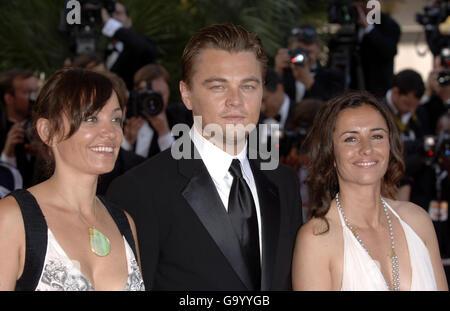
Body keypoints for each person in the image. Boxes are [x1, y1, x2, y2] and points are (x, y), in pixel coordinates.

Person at [106, 23, 303, 290]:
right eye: (218, 87)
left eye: (248, 86)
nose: (236, 100)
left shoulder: (284, 182)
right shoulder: (140, 190)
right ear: (187, 94)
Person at [0, 68, 145, 291]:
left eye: (116, 119)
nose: (110, 132)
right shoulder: (12, 219)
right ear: (48, 131)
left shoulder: (124, 222)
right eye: (90, 118)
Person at [292, 91, 448, 290]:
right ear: (330, 152)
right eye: (351, 139)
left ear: (389, 145)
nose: (367, 148)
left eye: (376, 136)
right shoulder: (317, 239)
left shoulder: (418, 221)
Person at [122, 63, 193, 159]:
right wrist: (126, 142)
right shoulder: (124, 118)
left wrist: (164, 133)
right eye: (147, 94)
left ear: (168, 93)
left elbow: (183, 166)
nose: (152, 100)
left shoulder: (181, 120)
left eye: (159, 94)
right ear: (136, 92)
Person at [274, 24, 345, 103]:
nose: (305, 58)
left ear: (318, 49)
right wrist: (277, 72)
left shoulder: (334, 77)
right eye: (299, 52)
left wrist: (308, 81)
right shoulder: (283, 73)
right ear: (289, 50)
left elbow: (332, 107)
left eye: (308, 52)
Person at [101, 1, 159, 90]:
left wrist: (111, 25)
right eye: (109, 14)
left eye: (118, 13)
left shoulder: (142, 43)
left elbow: (144, 48)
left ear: (129, 21)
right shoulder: (99, 52)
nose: (113, 17)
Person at [351, 0, 401, 97]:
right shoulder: (352, 24)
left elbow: (388, 51)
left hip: (377, 90)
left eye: (365, 2)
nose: (361, 6)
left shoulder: (388, 24)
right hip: (353, 87)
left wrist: (368, 27)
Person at [0, 69, 39, 188]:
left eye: (36, 92)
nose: (35, 99)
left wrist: (45, 154)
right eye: (27, 93)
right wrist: (7, 154)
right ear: (9, 98)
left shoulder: (45, 126)